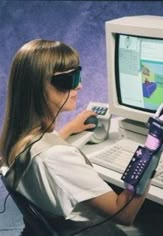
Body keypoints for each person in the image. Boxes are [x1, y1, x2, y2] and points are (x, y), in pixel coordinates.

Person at [0, 39, 153, 236]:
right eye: (70, 79)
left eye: (78, 74)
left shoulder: (12, 141)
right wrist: (153, 152)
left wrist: (68, 130)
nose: (79, 86)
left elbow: (37, 153)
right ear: (37, 87)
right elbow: (123, 213)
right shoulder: (57, 157)